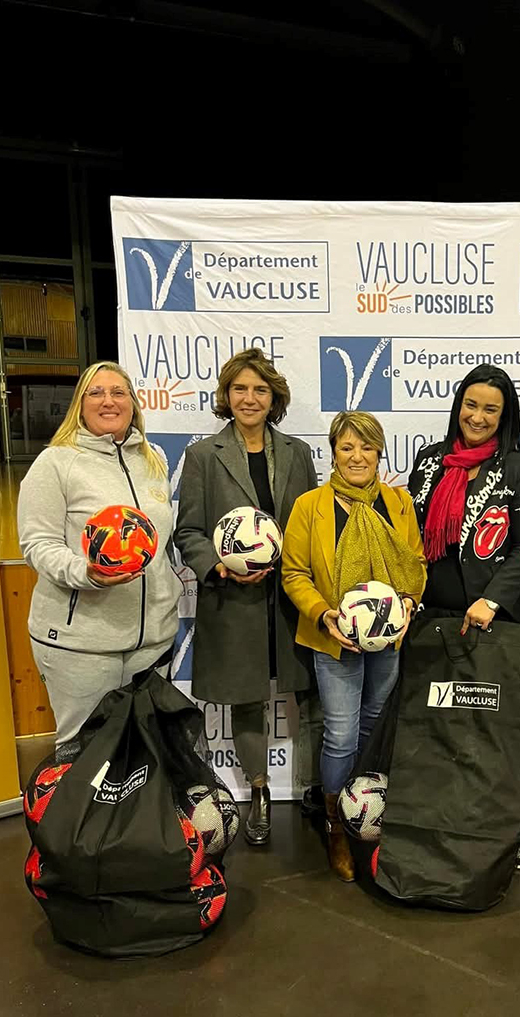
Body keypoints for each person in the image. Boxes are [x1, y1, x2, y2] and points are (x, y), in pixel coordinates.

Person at [174, 348, 317, 846]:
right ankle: (257, 791)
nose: (249, 398)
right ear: (226, 397)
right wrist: (218, 566)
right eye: (240, 389)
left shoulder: (298, 454)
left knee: (312, 693)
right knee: (248, 700)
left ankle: (316, 790)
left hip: (292, 597)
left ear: (273, 397)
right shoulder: (202, 456)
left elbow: (313, 527)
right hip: (232, 602)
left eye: (260, 390)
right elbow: (188, 530)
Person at [408, 363, 520, 870]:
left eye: (491, 408)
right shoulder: (429, 461)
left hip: (498, 617)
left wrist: (491, 600)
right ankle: (454, 813)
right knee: (445, 720)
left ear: (504, 415)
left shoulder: (518, 467)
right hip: (435, 618)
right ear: (457, 406)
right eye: (471, 404)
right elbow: (410, 535)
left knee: (508, 722)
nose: (478, 416)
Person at [282, 411, 426, 882]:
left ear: (380, 452)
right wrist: (325, 615)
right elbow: (294, 574)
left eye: (367, 447)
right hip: (334, 638)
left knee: (372, 727)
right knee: (340, 734)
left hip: (390, 639)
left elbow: (416, 563)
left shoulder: (399, 504)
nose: (357, 456)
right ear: (333, 452)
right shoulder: (311, 506)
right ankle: (337, 826)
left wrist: (406, 601)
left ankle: (364, 809)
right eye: (347, 447)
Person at [18, 361, 182, 746]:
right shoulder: (55, 462)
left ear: (132, 404)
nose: (108, 401)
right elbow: (37, 545)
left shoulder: (151, 461)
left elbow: (161, 545)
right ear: (80, 404)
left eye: (118, 392)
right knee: (85, 756)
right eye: (96, 392)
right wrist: (87, 573)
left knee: (144, 756)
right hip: (82, 643)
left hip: (151, 643)